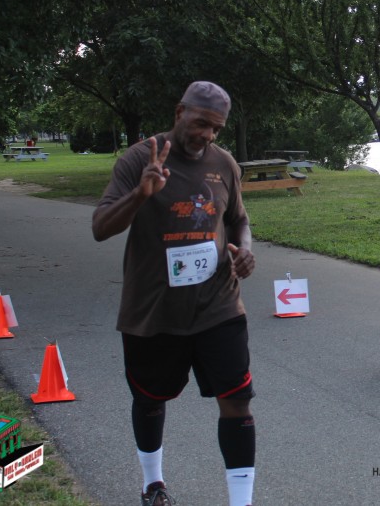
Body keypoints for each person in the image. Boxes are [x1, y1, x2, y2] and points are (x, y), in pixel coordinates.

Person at [92, 81, 257, 506]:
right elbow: (101, 227)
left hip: (219, 304)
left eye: (216, 128)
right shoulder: (139, 158)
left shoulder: (224, 164)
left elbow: (238, 220)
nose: (207, 135)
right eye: (201, 123)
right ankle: (153, 485)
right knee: (150, 400)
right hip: (154, 309)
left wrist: (245, 249)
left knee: (237, 400)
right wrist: (140, 194)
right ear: (180, 111)